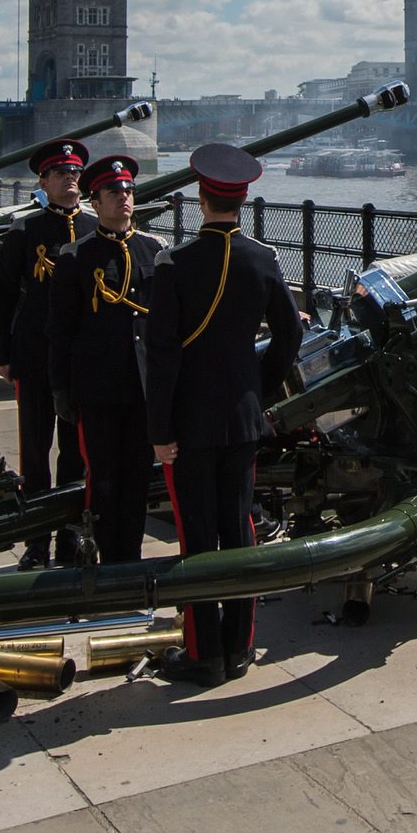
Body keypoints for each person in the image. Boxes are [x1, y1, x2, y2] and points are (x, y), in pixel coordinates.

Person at [144, 143, 301, 687]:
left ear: (200, 196)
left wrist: (159, 431)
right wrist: (260, 389)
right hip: (243, 419)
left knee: (196, 538)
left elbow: (162, 356)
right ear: (244, 197)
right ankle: (239, 646)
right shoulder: (264, 259)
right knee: (240, 531)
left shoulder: (174, 263)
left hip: (188, 424)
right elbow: (291, 333)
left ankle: (202, 653)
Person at [47, 153, 161, 566]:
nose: (123, 198)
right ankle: (98, 553)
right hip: (97, 387)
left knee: (137, 477)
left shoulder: (155, 251)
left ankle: (127, 556)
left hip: (142, 388)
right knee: (103, 478)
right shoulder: (76, 256)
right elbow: (60, 330)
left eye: (128, 191)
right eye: (113, 192)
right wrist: (61, 389)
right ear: (95, 202)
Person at [0, 138, 91, 567]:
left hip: (78, 359)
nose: (70, 179)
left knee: (75, 452)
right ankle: (36, 540)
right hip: (34, 353)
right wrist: (2, 353)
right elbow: (3, 295)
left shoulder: (92, 228)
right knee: (35, 451)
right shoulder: (25, 231)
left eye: (74, 174)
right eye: (60, 174)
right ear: (43, 182)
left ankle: (69, 535)